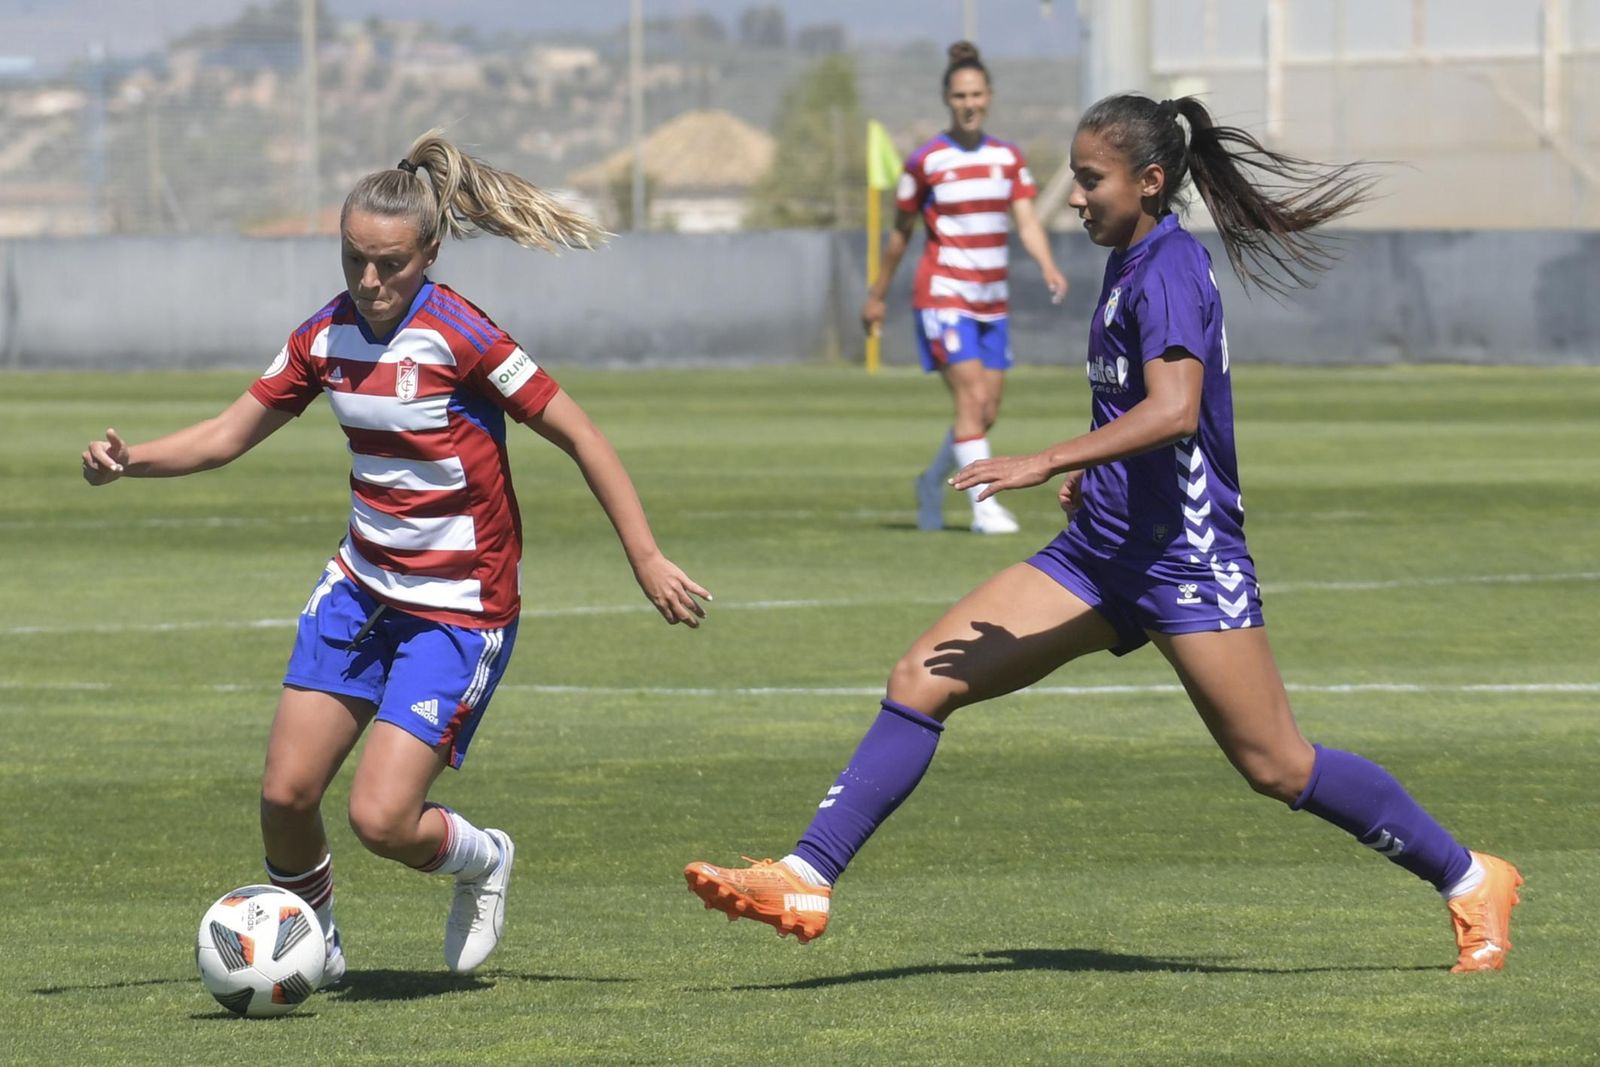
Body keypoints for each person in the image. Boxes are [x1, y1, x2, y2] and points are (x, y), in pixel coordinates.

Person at [687, 94, 1522, 973]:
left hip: (1183, 558)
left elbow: (1176, 409)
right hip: (1102, 551)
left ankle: (1470, 878)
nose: (1075, 197)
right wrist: (1097, 469)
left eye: (1090, 179)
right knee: (923, 675)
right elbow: (1142, 410)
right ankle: (807, 872)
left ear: (1149, 180)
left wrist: (1049, 458)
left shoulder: (1165, 267)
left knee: (1277, 764)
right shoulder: (1130, 259)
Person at [82, 131, 711, 985]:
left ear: (430, 252)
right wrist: (133, 460)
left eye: (390, 264)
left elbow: (581, 434)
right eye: (354, 260)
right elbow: (230, 434)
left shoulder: (463, 336)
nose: (370, 282)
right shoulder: (324, 337)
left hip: (459, 606)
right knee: (284, 797)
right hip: (362, 588)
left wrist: (645, 555)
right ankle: (315, 942)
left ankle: (483, 858)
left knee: (381, 819)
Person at [861, 40, 1068, 536]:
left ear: (989, 96)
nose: (969, 103)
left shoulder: (1008, 158)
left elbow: (1027, 221)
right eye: (959, 96)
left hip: (990, 301)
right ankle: (984, 508)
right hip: (943, 295)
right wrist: (877, 294)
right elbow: (899, 234)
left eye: (976, 94)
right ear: (947, 100)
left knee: (987, 409)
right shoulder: (926, 162)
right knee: (971, 396)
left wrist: (1047, 264)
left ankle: (931, 483)